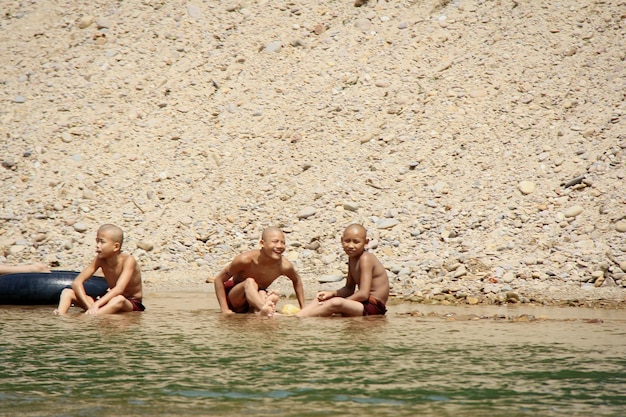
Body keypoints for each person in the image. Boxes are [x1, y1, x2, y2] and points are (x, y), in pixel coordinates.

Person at [296, 224, 389, 317]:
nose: (351, 245)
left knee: (336, 303)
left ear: (366, 242)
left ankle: (302, 317)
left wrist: (342, 301)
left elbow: (364, 294)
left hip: (374, 306)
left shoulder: (365, 258)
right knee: (321, 298)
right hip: (362, 303)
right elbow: (349, 288)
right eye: (347, 241)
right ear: (341, 240)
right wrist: (331, 293)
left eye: (356, 242)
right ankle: (299, 315)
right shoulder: (352, 258)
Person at [213, 226, 305, 317]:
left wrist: (303, 309)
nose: (280, 246)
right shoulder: (245, 260)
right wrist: (224, 309)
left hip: (255, 301)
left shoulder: (284, 266)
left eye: (283, 243)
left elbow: (296, 280)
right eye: (275, 242)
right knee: (250, 281)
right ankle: (265, 307)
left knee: (262, 292)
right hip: (236, 300)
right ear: (262, 243)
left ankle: (263, 309)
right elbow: (219, 279)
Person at [54, 224, 144, 315]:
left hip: (130, 302)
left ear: (116, 246)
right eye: (97, 241)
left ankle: (91, 317)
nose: (97, 245)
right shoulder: (100, 259)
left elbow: (119, 289)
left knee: (118, 299)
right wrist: (90, 306)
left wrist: (97, 304)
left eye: (102, 242)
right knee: (67, 292)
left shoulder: (129, 261)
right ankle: (61, 315)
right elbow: (77, 282)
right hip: (108, 300)